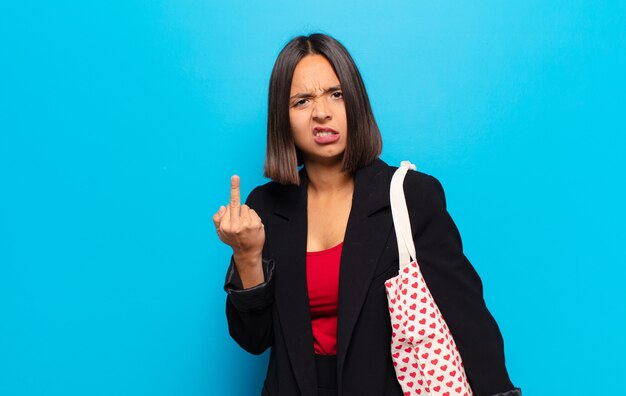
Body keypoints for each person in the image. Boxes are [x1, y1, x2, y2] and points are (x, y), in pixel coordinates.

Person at [212, 33, 521, 396]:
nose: (321, 112)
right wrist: (247, 256)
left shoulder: (410, 196)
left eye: (336, 94)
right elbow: (253, 339)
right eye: (301, 101)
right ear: (283, 118)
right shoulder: (265, 207)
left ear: (355, 102)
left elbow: (468, 319)